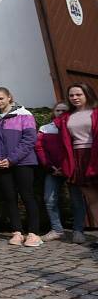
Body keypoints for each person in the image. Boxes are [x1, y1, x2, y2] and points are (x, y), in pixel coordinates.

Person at [0, 87, 42, 247]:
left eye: (1, 98)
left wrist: (11, 159)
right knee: (9, 198)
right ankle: (17, 232)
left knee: (27, 195)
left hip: (23, 162)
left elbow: (29, 139)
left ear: (9, 97)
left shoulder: (25, 115)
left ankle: (34, 233)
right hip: (1, 164)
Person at [36, 102, 87, 243]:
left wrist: (66, 167)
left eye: (64, 110)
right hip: (52, 170)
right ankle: (57, 230)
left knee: (77, 200)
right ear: (53, 112)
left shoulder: (74, 128)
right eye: (58, 110)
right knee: (49, 199)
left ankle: (78, 231)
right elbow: (40, 149)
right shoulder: (45, 129)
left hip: (72, 170)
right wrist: (50, 166)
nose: (61, 112)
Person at [57, 82, 98, 243]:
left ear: (87, 94)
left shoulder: (95, 112)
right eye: (71, 95)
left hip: (95, 155)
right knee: (93, 200)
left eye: (78, 94)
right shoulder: (67, 117)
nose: (74, 98)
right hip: (79, 158)